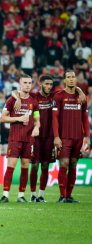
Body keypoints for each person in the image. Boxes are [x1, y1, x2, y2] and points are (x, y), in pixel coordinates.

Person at [12, 75, 86, 202]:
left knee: (45, 165)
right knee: (34, 165)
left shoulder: (54, 96)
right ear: (41, 84)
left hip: (49, 137)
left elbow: (71, 88)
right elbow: (15, 92)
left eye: (51, 84)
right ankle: (33, 194)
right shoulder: (34, 96)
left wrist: (79, 91)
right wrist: (16, 98)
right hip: (35, 136)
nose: (49, 87)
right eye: (46, 84)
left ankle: (41, 195)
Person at [0, 74, 40, 203]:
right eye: (25, 82)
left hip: (28, 139)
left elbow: (37, 119)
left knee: (25, 166)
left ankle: (21, 196)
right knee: (11, 165)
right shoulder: (12, 100)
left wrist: (36, 127)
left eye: (29, 83)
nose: (27, 85)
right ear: (20, 84)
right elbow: (3, 118)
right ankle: (5, 195)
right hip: (15, 138)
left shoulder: (34, 102)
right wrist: (18, 118)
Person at [52, 70, 90, 203]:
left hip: (78, 138)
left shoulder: (82, 97)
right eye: (69, 77)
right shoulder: (59, 96)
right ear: (65, 80)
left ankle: (69, 195)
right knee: (64, 163)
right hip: (64, 137)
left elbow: (85, 118)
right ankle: (62, 195)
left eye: (73, 77)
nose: (71, 79)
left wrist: (88, 136)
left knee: (73, 164)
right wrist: (56, 137)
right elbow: (55, 118)